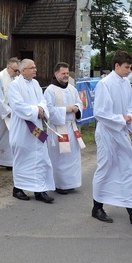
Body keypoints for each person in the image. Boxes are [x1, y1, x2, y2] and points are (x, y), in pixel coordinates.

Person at [91, 51, 132, 225]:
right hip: (107, 133)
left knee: (127, 167)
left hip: (121, 132)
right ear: (116, 66)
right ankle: (97, 207)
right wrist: (121, 119)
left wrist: (130, 117)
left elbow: (130, 105)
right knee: (105, 168)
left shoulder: (126, 83)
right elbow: (100, 113)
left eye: (130, 67)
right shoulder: (105, 84)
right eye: (126, 67)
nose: (129, 70)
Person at [8, 59, 54, 203]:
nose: (35, 69)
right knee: (23, 159)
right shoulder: (15, 86)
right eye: (32, 67)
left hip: (36, 128)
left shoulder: (35, 83)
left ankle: (39, 190)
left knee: (40, 158)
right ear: (23, 71)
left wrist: (41, 108)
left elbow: (43, 100)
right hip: (22, 128)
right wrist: (36, 110)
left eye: (35, 67)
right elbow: (18, 106)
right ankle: (18, 188)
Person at [45, 62, 84, 195]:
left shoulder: (72, 89)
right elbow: (48, 110)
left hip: (71, 127)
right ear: (56, 74)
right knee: (60, 157)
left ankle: (71, 183)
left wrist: (77, 108)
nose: (66, 75)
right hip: (58, 128)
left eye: (67, 73)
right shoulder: (50, 90)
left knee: (72, 155)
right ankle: (59, 184)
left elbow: (79, 102)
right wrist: (66, 110)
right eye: (63, 73)